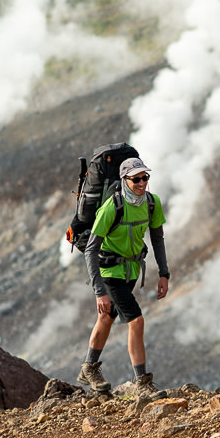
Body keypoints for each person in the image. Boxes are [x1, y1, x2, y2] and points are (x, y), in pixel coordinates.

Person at [77, 156, 171, 399]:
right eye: (136, 179)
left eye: (145, 177)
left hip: (131, 271)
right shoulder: (113, 206)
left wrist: (164, 273)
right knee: (136, 321)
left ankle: (89, 367)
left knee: (106, 319)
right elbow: (91, 249)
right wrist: (99, 291)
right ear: (124, 180)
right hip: (109, 272)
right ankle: (142, 383)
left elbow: (157, 238)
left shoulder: (152, 203)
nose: (142, 183)